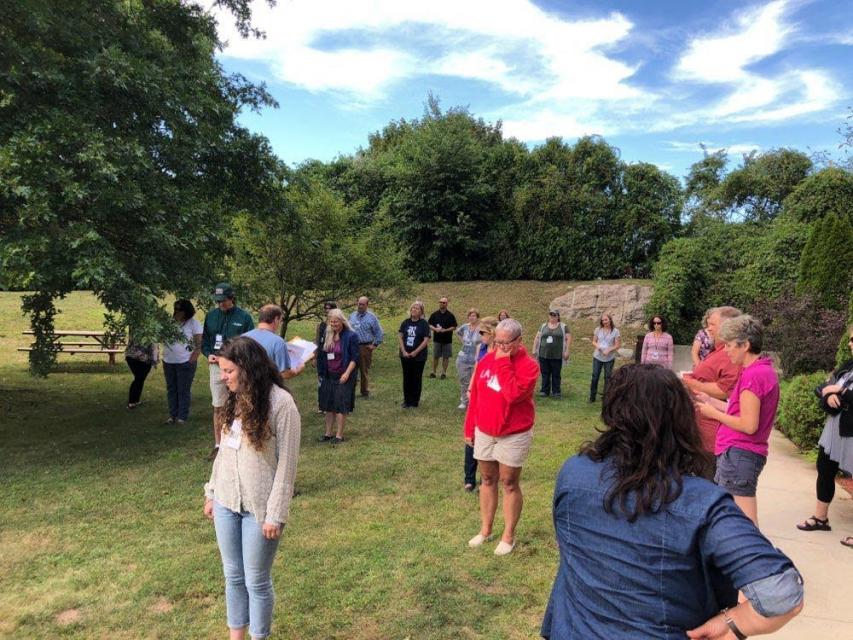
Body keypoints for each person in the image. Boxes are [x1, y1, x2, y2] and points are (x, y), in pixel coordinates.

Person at [541, 364, 803, 639]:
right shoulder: (703, 503)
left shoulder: (572, 473)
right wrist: (734, 624)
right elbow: (783, 591)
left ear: (612, 414)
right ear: (682, 419)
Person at [203, 337, 300, 640]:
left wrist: (276, 513)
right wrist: (211, 492)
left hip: (260, 509)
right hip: (226, 502)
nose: (224, 377)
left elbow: (287, 466)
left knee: (256, 580)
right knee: (233, 576)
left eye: (229, 371)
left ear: (247, 369)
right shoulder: (235, 399)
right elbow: (225, 451)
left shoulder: (281, 404)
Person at [695, 315, 779, 526]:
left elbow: (749, 425)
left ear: (746, 345)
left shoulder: (754, 375)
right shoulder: (760, 370)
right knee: (731, 517)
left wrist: (713, 414)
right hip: (740, 454)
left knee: (745, 521)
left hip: (741, 454)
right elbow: (742, 412)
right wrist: (713, 402)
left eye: (731, 345)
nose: (726, 350)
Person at [465, 318, 539, 556]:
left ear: (519, 341)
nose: (499, 348)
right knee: (487, 478)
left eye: (506, 343)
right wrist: (470, 427)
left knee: (508, 481)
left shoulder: (529, 366)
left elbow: (513, 395)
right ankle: (485, 530)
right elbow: (475, 396)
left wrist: (505, 363)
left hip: (514, 432)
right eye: (496, 342)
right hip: (485, 429)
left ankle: (508, 535)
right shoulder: (486, 360)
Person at [797, 325, 853, 546]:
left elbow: (836, 389)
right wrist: (827, 397)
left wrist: (840, 392)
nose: (850, 343)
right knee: (825, 469)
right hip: (835, 429)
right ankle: (821, 518)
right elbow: (823, 387)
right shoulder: (847, 367)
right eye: (850, 339)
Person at [201, 283, 255, 461]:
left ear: (232, 298)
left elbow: (249, 342)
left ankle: (241, 440)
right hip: (216, 367)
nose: (220, 304)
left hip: (237, 367)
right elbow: (206, 341)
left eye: (223, 301)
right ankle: (218, 445)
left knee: (240, 402)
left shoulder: (244, 317)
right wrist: (209, 354)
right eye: (218, 301)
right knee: (219, 405)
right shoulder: (211, 316)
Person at [683, 306, 743, 453]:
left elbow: (726, 390)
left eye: (712, 325)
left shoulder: (729, 354)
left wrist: (691, 382)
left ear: (727, 327)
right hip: (701, 427)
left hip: (712, 434)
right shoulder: (718, 351)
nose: (708, 329)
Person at [462, 316, 498, 492]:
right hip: (478, 394)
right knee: (471, 434)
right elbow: (477, 368)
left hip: (492, 397)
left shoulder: (501, 350)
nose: (480, 335)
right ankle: (469, 478)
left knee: (488, 436)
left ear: (492, 333)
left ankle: (487, 477)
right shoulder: (482, 348)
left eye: (482, 332)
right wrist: (470, 388)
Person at [316, 309, 360, 444]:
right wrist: (320, 371)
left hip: (344, 375)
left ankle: (339, 435)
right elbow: (322, 354)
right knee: (328, 405)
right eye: (331, 321)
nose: (333, 324)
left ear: (342, 321)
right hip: (329, 375)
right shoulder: (327, 334)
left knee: (341, 405)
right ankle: (328, 433)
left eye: (336, 321)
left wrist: (347, 373)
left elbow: (355, 358)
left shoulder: (351, 336)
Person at [162, 299, 202, 423]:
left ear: (186, 312)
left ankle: (182, 416)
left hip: (185, 361)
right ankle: (172, 415)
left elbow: (198, 343)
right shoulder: (169, 323)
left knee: (183, 389)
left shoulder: (193, 324)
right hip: (168, 361)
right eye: (176, 309)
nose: (176, 312)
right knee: (171, 388)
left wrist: (193, 357)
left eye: (179, 310)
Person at [243, 304, 305, 380]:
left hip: (245, 386)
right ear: (276, 319)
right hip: (266, 388)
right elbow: (285, 374)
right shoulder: (277, 342)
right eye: (280, 320)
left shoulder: (243, 337)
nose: (280, 323)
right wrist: (298, 369)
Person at [348, 296, 384, 398]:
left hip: (365, 347)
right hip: (352, 346)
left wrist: (375, 344)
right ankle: (350, 391)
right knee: (351, 369)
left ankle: (364, 391)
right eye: (359, 304)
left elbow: (379, 332)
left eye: (362, 304)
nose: (360, 306)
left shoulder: (372, 318)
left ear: (367, 305)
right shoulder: (352, 316)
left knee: (364, 370)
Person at [398, 301, 431, 408]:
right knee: (407, 378)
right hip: (405, 355)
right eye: (413, 308)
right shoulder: (405, 322)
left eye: (417, 308)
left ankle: (414, 401)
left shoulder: (424, 324)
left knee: (416, 378)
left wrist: (415, 352)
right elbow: (400, 336)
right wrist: (403, 351)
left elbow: (426, 340)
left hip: (419, 357)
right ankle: (407, 401)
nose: (414, 310)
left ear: (421, 311)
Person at [533, 310, 571, 399]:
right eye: (551, 315)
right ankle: (544, 391)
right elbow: (537, 337)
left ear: (558, 317)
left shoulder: (563, 326)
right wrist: (534, 349)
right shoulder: (543, 326)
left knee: (556, 374)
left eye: (554, 316)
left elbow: (568, 338)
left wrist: (567, 350)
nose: (552, 317)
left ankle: (556, 392)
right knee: (545, 373)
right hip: (543, 354)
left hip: (557, 355)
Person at [589, 313, 620, 402]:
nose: (604, 322)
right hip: (598, 356)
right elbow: (594, 341)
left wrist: (609, 349)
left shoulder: (615, 331)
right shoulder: (598, 329)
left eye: (606, 320)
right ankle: (592, 396)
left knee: (607, 377)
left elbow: (617, 345)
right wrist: (597, 346)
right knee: (595, 376)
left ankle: (606, 396)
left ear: (610, 320)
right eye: (603, 320)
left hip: (609, 358)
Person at [455, 309, 482, 410]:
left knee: (475, 382)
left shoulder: (481, 329)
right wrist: (462, 341)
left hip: (476, 358)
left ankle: (475, 401)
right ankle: (464, 401)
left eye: (474, 316)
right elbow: (458, 332)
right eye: (470, 316)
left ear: (477, 317)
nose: (472, 317)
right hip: (463, 358)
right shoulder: (465, 327)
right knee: (464, 380)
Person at [428, 296, 457, 379]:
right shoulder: (434, 314)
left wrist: (446, 330)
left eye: (443, 302)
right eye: (440, 302)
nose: (441, 304)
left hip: (447, 340)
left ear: (447, 304)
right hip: (437, 339)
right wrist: (435, 329)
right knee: (435, 356)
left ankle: (443, 373)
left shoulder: (450, 315)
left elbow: (454, 326)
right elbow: (429, 324)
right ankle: (433, 372)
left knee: (446, 357)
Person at [125, 339, 159, 409]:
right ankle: (131, 402)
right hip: (136, 357)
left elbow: (154, 344)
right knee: (139, 378)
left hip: (141, 357)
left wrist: (154, 359)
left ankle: (136, 400)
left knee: (140, 379)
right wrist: (155, 360)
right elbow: (154, 345)